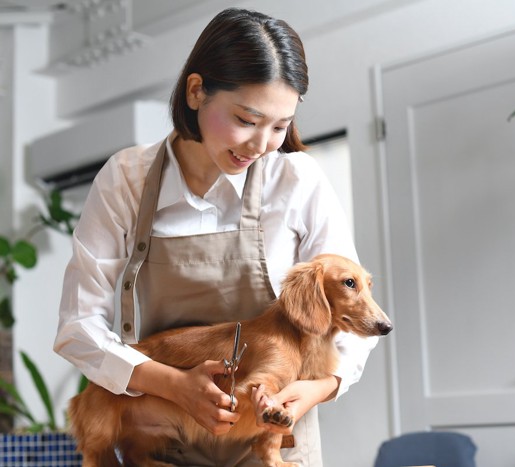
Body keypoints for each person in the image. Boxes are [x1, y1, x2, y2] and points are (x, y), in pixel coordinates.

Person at [54, 7, 378, 466]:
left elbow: (353, 309)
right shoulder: (125, 179)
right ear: (195, 91)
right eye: (247, 119)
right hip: (160, 435)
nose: (262, 144)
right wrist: (173, 385)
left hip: (270, 445)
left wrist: (317, 389)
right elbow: (78, 326)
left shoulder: (298, 179)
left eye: (280, 126)